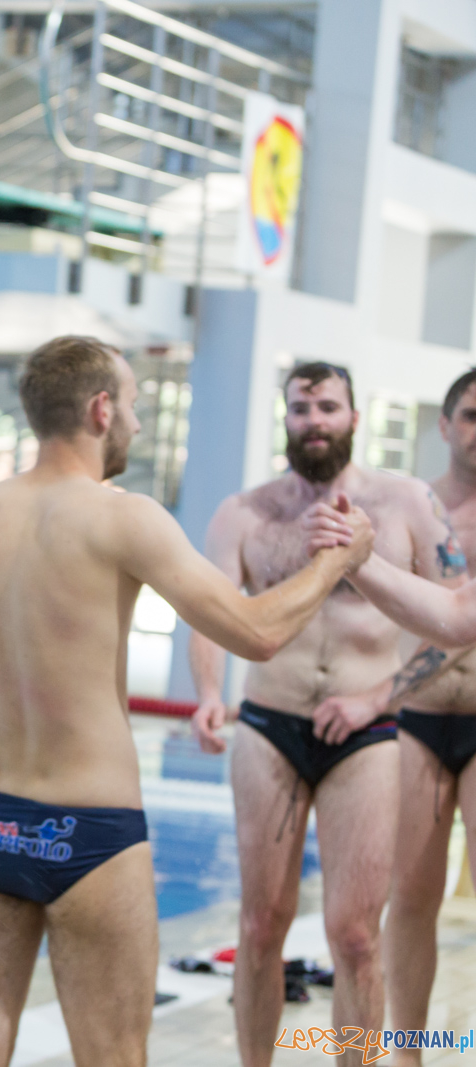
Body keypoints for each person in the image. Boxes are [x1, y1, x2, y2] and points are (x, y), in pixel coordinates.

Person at [0, 337, 374, 1067]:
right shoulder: (124, 517)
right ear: (101, 409)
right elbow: (257, 631)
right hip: (90, 831)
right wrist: (339, 561)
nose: (137, 423)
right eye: (132, 405)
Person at [189, 362, 462, 1067]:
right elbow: (209, 611)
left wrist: (381, 695)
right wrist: (209, 692)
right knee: (258, 925)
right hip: (268, 726)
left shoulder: (404, 504)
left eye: (328, 407)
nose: (314, 420)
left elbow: (455, 617)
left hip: (368, 736)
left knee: (356, 935)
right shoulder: (244, 513)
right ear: (285, 418)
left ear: (355, 417)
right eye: (301, 407)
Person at [305, 369, 476, 1065]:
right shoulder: (415, 506)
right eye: (469, 415)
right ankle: (407, 1050)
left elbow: (458, 620)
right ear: (444, 424)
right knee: (411, 896)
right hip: (420, 721)